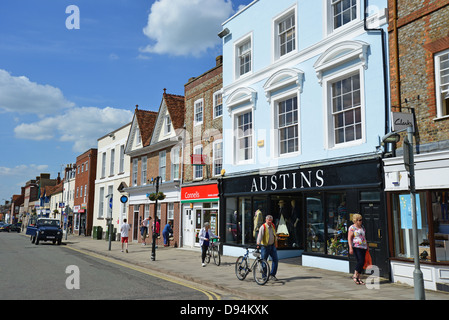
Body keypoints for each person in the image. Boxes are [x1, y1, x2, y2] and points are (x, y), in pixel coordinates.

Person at [256, 215, 279, 281]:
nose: (270, 222)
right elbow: (259, 237)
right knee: (264, 261)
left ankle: (272, 275)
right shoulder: (263, 227)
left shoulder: (273, 226)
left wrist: (276, 243)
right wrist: (258, 245)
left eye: (271, 221)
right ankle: (264, 276)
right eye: (269, 221)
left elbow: (274, 235)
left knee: (275, 260)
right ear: (266, 220)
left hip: (272, 246)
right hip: (265, 247)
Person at [348, 213, 367, 285]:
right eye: (359, 220)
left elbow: (364, 237)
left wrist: (367, 246)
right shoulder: (352, 228)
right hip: (356, 246)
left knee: (362, 262)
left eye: (361, 220)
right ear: (355, 221)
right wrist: (350, 248)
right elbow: (349, 238)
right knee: (360, 261)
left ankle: (359, 278)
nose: (361, 221)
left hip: (363, 246)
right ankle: (355, 275)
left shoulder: (362, 227)